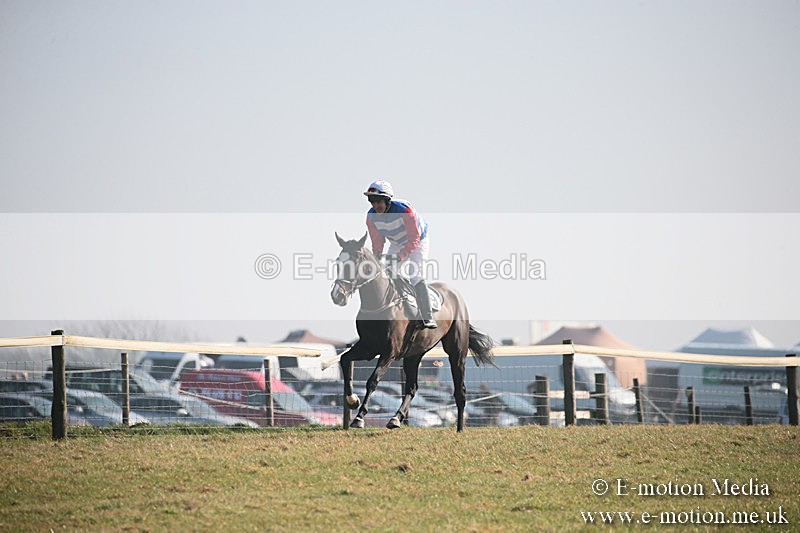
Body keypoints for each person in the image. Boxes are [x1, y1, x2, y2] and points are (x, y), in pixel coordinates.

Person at [364, 180, 437, 328]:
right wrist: (377, 256)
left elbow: (414, 239)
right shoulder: (371, 217)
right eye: (372, 201)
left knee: (415, 275)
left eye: (378, 201)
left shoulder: (405, 211)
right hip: (397, 242)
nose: (375, 205)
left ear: (387, 200)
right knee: (388, 271)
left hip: (418, 241)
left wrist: (400, 256)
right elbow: (377, 241)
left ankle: (427, 317)